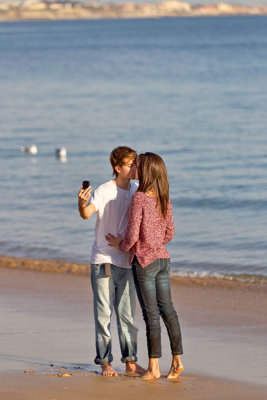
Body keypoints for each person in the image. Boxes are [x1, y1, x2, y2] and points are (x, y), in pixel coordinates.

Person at [106, 152, 184, 380]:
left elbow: (130, 237)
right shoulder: (163, 197)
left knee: (151, 315)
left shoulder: (139, 198)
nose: (135, 168)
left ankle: (154, 368)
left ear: (146, 171)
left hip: (144, 261)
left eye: (138, 165)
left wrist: (121, 245)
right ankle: (177, 360)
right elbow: (170, 232)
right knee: (168, 311)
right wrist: (155, 243)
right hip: (163, 259)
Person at [78, 146, 145, 377]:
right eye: (131, 164)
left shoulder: (138, 189)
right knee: (104, 313)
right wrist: (81, 202)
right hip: (104, 260)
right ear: (118, 168)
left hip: (127, 261)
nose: (135, 168)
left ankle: (130, 362)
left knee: (127, 316)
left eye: (135, 163)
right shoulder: (105, 190)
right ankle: (105, 362)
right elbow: (87, 214)